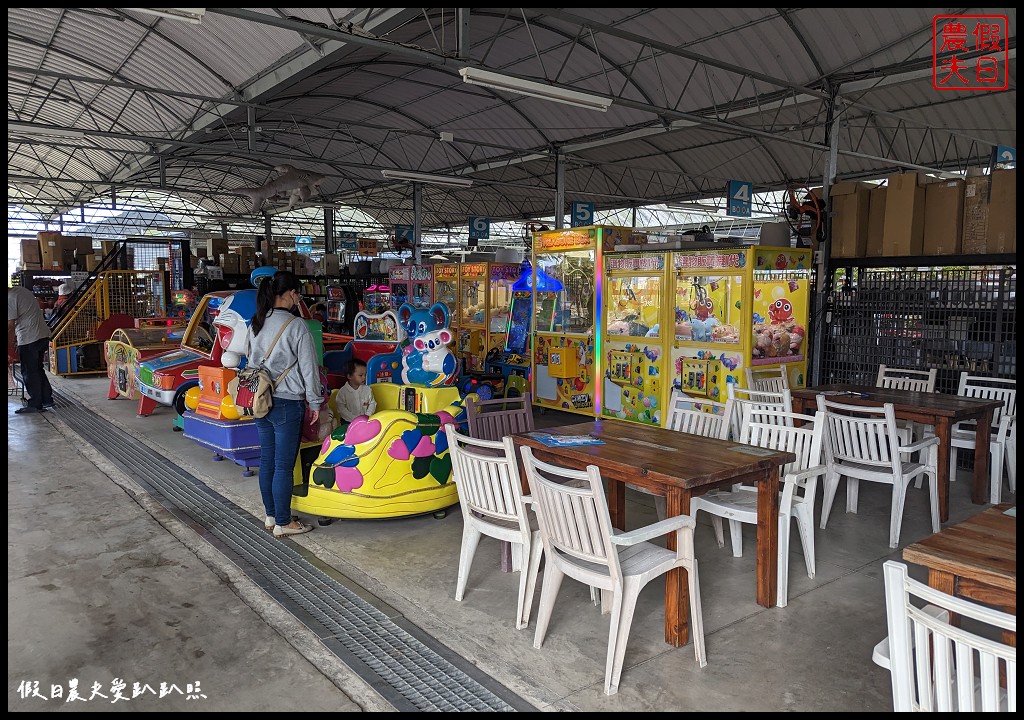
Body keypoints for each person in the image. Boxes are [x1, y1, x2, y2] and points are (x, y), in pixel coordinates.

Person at [248, 271, 323, 538]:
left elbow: (250, 361)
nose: (298, 299)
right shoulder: (296, 325)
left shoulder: (256, 322)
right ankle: (284, 522)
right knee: (283, 465)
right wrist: (315, 402)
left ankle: (271, 516)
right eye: (297, 293)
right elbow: (309, 370)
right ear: (290, 293)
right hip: (287, 403)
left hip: (260, 400)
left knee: (267, 461)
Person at [8, 285, 54, 414]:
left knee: (29, 371)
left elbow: (9, 326)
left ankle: (35, 404)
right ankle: (46, 399)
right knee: (37, 369)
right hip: (42, 336)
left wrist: (9, 347)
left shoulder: (10, 299)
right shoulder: (20, 290)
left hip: (30, 338)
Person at [334, 357, 376, 423]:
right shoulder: (343, 392)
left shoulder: (367, 389)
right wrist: (354, 419)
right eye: (361, 375)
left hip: (366, 420)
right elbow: (341, 409)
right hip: (348, 421)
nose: (364, 377)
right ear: (349, 376)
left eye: (365, 374)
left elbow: (372, 403)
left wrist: (367, 415)